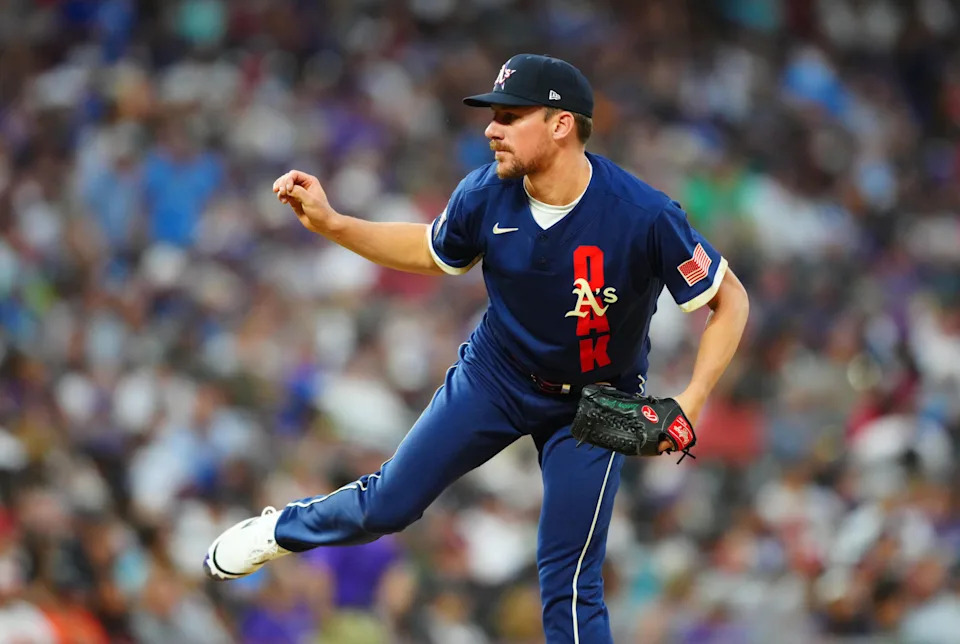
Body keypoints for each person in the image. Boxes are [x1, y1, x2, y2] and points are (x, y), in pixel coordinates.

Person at [204, 53, 750, 643]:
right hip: (498, 376)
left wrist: (693, 397)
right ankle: (282, 530)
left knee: (569, 579)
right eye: (494, 115)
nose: (491, 129)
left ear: (561, 124)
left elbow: (730, 300)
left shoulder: (643, 215)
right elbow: (432, 250)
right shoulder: (486, 192)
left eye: (510, 116)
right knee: (388, 505)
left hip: (595, 403)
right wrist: (335, 224)